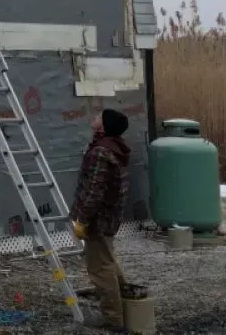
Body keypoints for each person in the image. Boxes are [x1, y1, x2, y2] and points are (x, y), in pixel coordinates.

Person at [71, 108, 133, 331]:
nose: (94, 117)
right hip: (110, 216)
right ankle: (130, 303)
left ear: (104, 126)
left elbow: (94, 190)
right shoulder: (115, 148)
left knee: (100, 269)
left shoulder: (100, 152)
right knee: (108, 261)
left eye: (98, 116)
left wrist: (82, 219)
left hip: (99, 219)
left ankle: (112, 318)